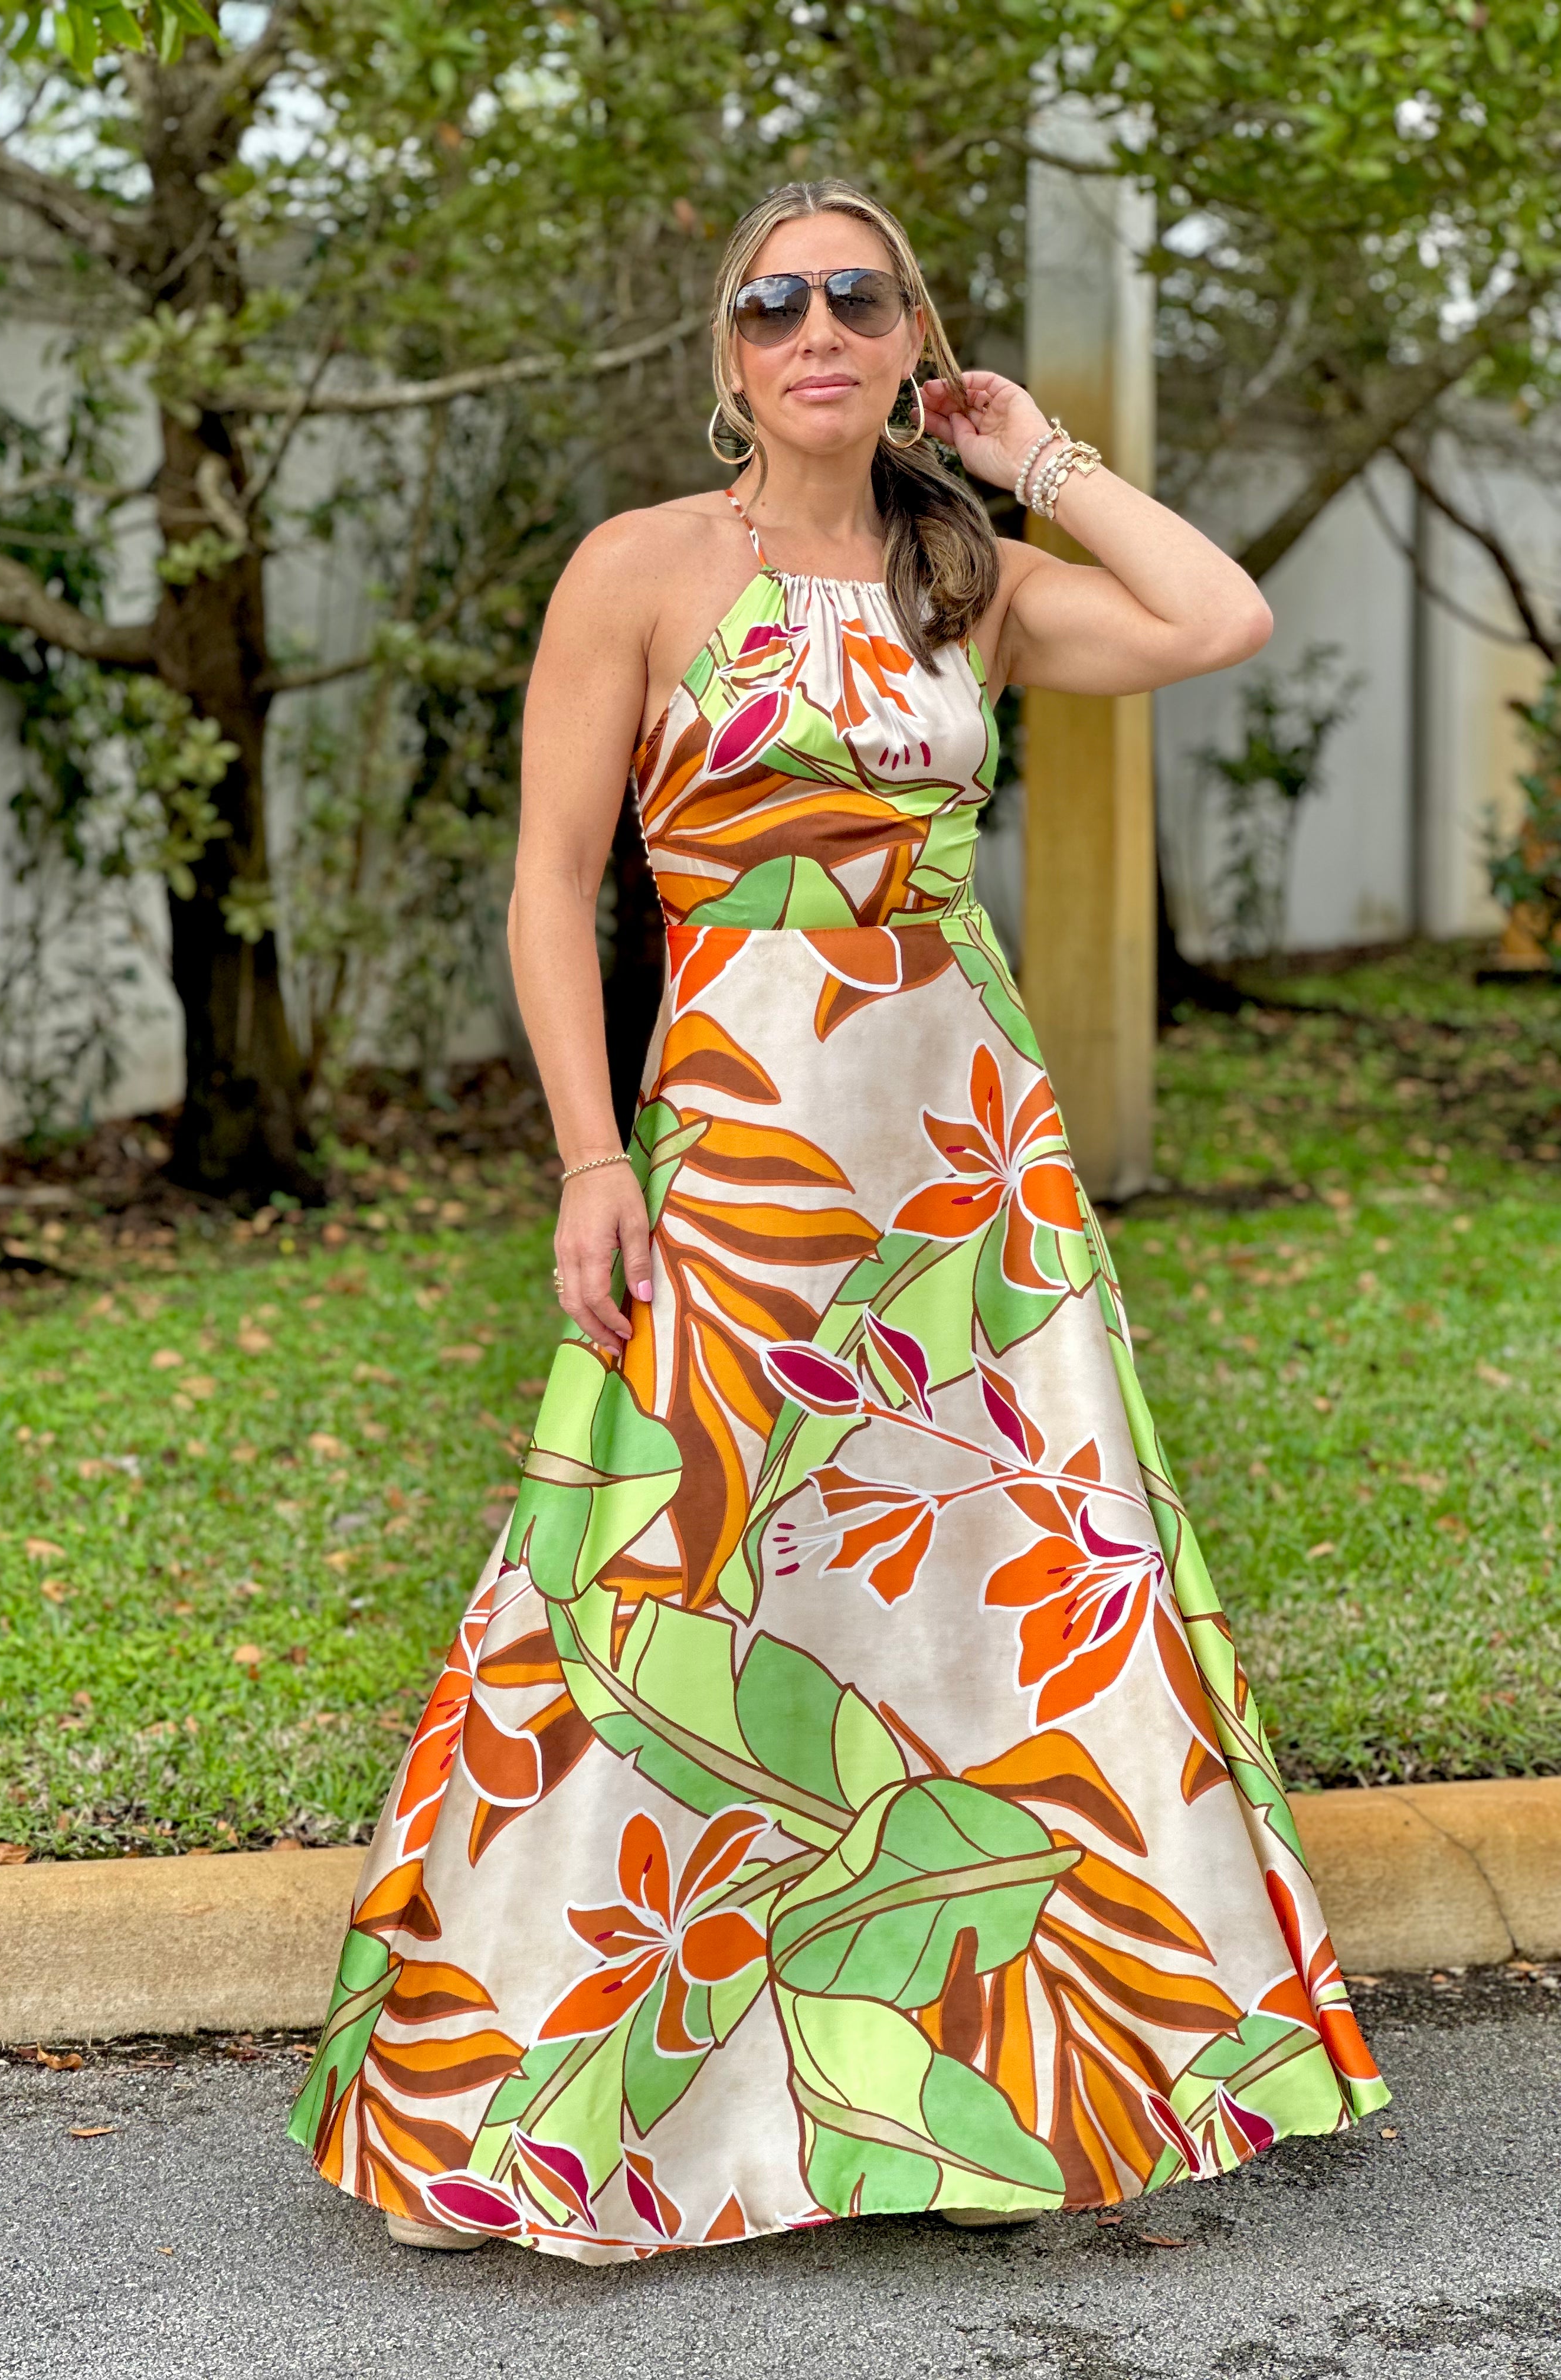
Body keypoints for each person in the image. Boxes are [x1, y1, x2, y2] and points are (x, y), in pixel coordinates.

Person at [289, 178, 1387, 2264]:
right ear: (729, 353)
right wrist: (590, 1159)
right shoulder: (637, 569)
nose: (816, 328)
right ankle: (523, 2105)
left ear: (908, 344)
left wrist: (1035, 456)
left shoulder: (964, 579)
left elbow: (1218, 618)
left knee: (991, 1587)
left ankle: (995, 2099)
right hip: (737, 1140)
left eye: (858, 300)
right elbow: (549, 890)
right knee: (663, 1587)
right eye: (776, 301)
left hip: (964, 1161)